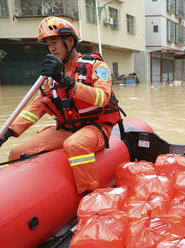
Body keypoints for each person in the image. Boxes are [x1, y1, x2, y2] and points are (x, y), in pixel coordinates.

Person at [0, 16, 122, 193]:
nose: (51, 48)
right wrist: (9, 132)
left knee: (75, 145)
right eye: (48, 44)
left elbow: (102, 97)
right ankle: (20, 193)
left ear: (70, 41)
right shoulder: (52, 76)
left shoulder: (97, 66)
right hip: (66, 128)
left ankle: (89, 195)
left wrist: (67, 81)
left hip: (96, 127)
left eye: (55, 42)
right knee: (17, 152)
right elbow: (36, 108)